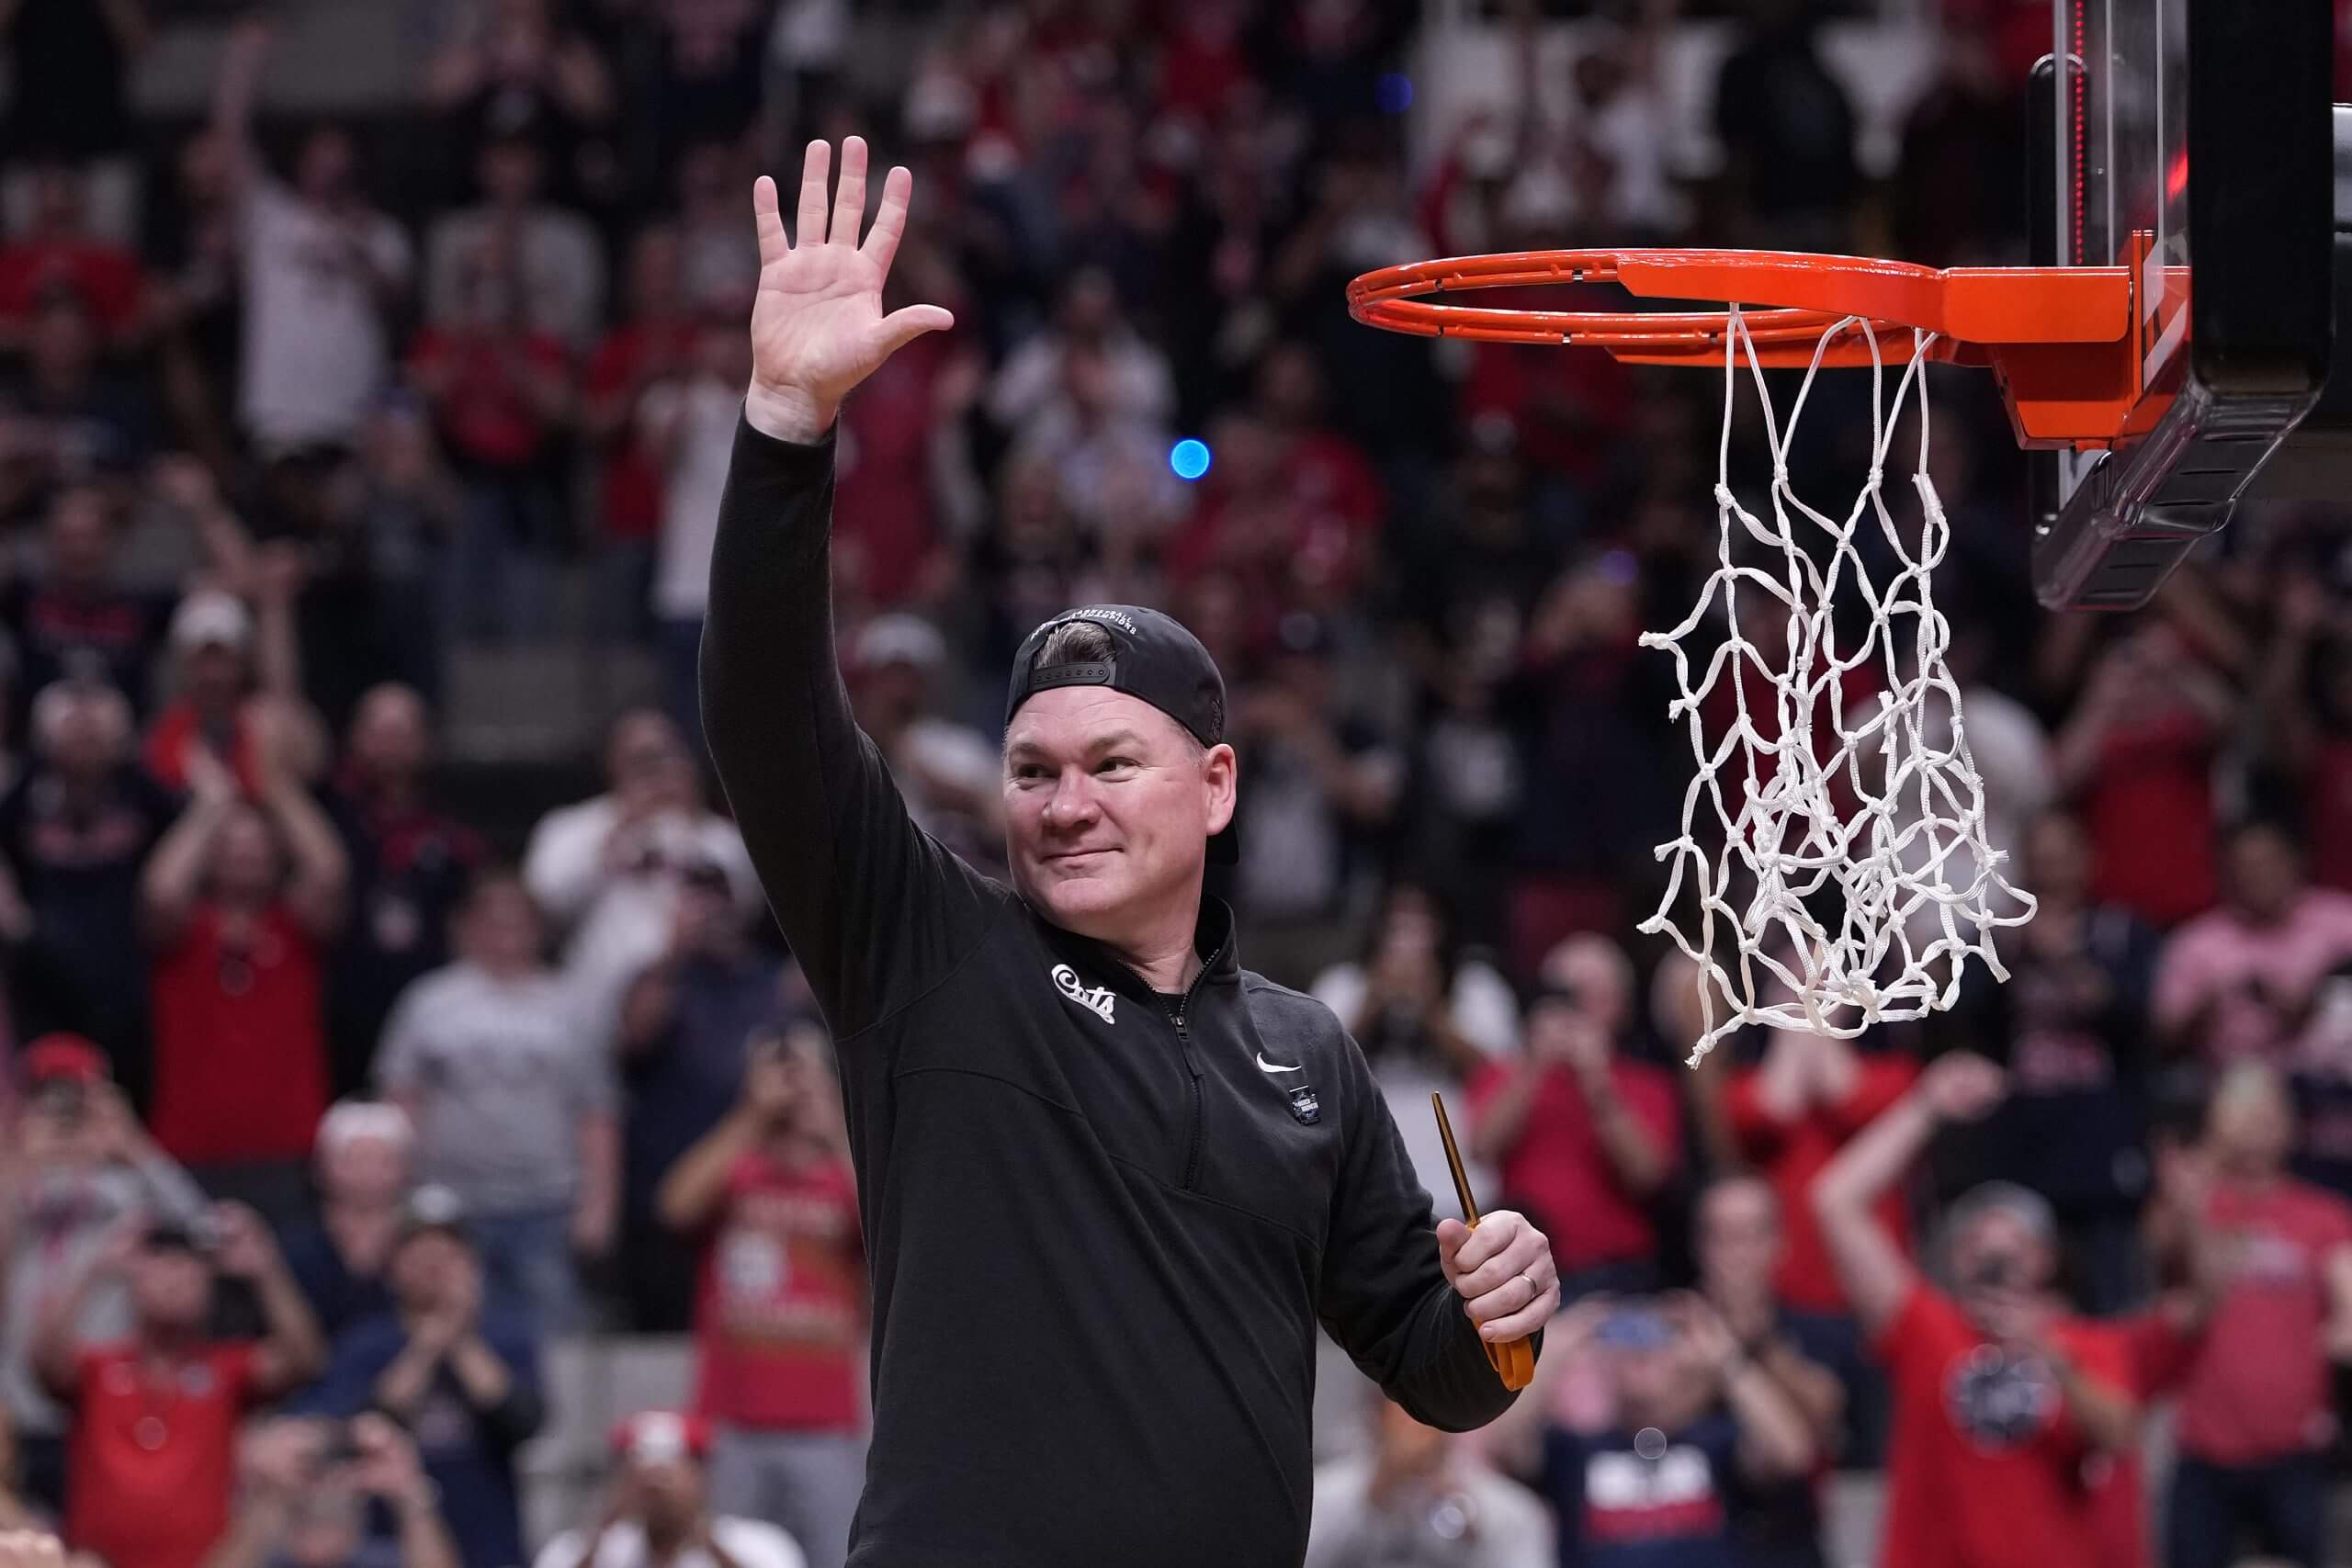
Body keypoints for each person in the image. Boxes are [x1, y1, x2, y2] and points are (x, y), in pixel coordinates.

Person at [698, 137, 1557, 1566]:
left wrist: (1502, 1311)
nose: (1062, 799)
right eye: (1032, 768)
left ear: (1216, 786)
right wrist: (786, 427)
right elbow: (764, 719)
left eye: (1110, 763)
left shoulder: (1307, 1051)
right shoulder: (928, 950)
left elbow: (1437, 1365)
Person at [1812, 1053, 2149, 1568]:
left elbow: (2120, 1435)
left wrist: (2047, 1353)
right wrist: (1926, 1107)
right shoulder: (1926, 1326)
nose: (1995, 1261)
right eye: (1976, 1246)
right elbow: (1836, 1201)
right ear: (1953, 1259)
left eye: (2014, 1247)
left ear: (2045, 1260)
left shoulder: (2083, 1344)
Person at [375, 870, 616, 1333]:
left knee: (554, 1335)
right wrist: (399, 1191)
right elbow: (401, 1100)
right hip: (448, 1204)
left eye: (518, 921)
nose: (506, 932)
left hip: (549, 1204)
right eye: (493, 920)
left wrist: (598, 1206)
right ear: (468, 927)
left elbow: (598, 1114)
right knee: (449, 1325)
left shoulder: (572, 1005)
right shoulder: (429, 1001)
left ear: (538, 930)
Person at [657, 1031, 862, 1568]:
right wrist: (752, 1115)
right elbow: (675, 1206)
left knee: (839, 1558)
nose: (790, 1088)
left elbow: (889, 1224)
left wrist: (835, 1123)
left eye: (804, 1072)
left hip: (825, 1424)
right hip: (732, 1423)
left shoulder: (841, 1176)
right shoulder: (736, 1169)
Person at [140, 712, 347, 1227]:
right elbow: (161, 892)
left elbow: (328, 872)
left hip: (289, 1148)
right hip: (189, 1151)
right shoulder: (184, 933)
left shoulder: (294, 927)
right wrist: (210, 808)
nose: (245, 851)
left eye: (257, 842)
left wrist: (275, 787)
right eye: (231, 844)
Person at [33, 1205, 326, 1568]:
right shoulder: (99, 1368)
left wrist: (266, 1270)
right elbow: (44, 1360)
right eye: (160, 1270)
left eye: (188, 1273)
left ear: (209, 1289)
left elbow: (304, 1359)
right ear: (135, 1283)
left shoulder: (227, 1370)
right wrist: (96, 1270)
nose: (173, 1282)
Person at [2150, 1065, 2352, 1568]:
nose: (2257, 1128)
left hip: (2293, 1447)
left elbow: (2348, 1312)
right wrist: (2196, 1190)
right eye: (2243, 1113)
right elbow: (2167, 1257)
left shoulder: (2322, 1215)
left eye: (2269, 1114)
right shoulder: (2196, 1206)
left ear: (2291, 1127)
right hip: (2203, 1446)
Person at [0, 1038, 210, 1517]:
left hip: (103, 1397)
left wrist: (131, 1144)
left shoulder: (129, 1188)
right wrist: (18, 1157)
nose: (66, 1115)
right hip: (13, 1401)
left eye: (79, 1099)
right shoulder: (14, 1185)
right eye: (49, 1100)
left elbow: (207, 1237)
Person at [1481, 1291, 1819, 1568]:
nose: (1641, 1352)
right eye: (1627, 1341)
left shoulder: (1714, 1442)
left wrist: (1726, 1356)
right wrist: (1557, 1348)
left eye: (1659, 1340)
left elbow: (1792, 1453)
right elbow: (1504, 1446)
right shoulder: (1575, 1450)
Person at [300, 1186, 543, 1568]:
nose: (434, 1267)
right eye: (419, 1254)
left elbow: (521, 1422)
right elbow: (363, 1426)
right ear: (393, 1266)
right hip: (388, 1547)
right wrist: (425, 1348)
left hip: (491, 1542)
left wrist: (459, 1338)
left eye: (447, 1255)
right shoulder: (367, 1343)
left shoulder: (506, 1338)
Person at [616, 861, 785, 1333]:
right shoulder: (660, 978)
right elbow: (636, 1036)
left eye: (720, 897)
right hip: (663, 1190)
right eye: (696, 898)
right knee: (665, 1335)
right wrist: (673, 949)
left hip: (752, 1200)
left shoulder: (771, 980)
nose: (712, 911)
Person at [1466, 945, 1679, 1299]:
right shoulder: (1504, 1072)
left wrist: (1599, 1082)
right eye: (1568, 996)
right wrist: (1535, 1065)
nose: (1580, 1011)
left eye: (1597, 996)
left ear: (1622, 1007)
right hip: (1520, 1269)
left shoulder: (1648, 1083)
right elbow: (1482, 1150)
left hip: (1619, 1274)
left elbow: (1648, 1177)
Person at [1691, 1175, 1850, 1568]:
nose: (1736, 1254)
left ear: (1779, 1245)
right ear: (1701, 1248)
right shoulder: (1679, 1328)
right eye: (1722, 1237)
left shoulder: (1817, 1331)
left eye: (1750, 1236)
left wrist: (1760, 1342)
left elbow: (1823, 1414)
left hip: (1789, 1542)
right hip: (1698, 1537)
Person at [2154, 819, 2352, 1066]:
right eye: (2246, 866)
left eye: (2269, 863)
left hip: (2336, 1071)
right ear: (2225, 873)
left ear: (2298, 861)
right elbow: (2164, 1036)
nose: (2259, 876)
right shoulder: (2197, 941)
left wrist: (2314, 1001)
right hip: (2233, 1079)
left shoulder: (2342, 920)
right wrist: (2202, 1013)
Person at [1302, 1392, 1550, 1568]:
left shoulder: (1510, 1507)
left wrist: (1466, 1518)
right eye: (1406, 1410)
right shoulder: (1326, 1491)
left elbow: (1525, 1555)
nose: (1417, 1425)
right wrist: (1375, 1495)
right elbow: (1299, 1557)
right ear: (1379, 1414)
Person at [532, 1412, 807, 1568]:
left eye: (670, 1473)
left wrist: (708, 1544)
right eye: (641, 1474)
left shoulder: (760, 1543)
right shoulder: (578, 1549)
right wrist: (603, 1532)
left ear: (701, 1476)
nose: (656, 1489)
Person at [205, 1414, 462, 1568]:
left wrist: (408, 1492)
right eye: (309, 1466)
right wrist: (268, 1495)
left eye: (337, 1462)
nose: (325, 1482)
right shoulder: (266, 1557)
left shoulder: (382, 1560)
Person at [277, 1100, 414, 1338]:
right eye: (354, 1160)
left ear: (405, 1169)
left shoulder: (428, 1243)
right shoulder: (295, 1245)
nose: (368, 1172)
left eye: (382, 1160)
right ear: (321, 1168)